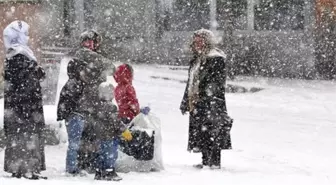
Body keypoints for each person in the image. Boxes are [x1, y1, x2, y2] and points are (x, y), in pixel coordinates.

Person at [56, 30, 115, 175]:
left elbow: (110, 69)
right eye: (88, 41)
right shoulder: (84, 56)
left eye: (94, 42)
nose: (91, 45)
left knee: (90, 139)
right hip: (82, 108)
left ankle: (86, 164)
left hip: (92, 107)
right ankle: (75, 167)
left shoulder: (91, 62)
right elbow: (109, 66)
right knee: (79, 141)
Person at [180, 29, 233, 169]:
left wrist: (208, 97)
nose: (197, 43)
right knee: (201, 131)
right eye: (195, 41)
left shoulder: (215, 58)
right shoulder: (196, 59)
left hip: (212, 102)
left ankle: (214, 162)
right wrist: (185, 101)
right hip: (197, 102)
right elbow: (190, 82)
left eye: (200, 40)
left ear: (207, 41)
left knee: (213, 130)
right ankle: (205, 161)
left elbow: (216, 82)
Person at [3, 20, 47, 179]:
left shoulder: (15, 54)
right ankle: (27, 169)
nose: (28, 37)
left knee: (19, 137)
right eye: (25, 34)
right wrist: (35, 73)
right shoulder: (20, 55)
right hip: (26, 108)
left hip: (18, 107)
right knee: (27, 137)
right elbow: (26, 81)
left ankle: (20, 168)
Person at [82, 82, 132, 181]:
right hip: (109, 135)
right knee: (110, 154)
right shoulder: (111, 107)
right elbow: (116, 121)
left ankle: (99, 172)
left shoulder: (96, 106)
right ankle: (109, 171)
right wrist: (124, 130)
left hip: (98, 136)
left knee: (100, 154)